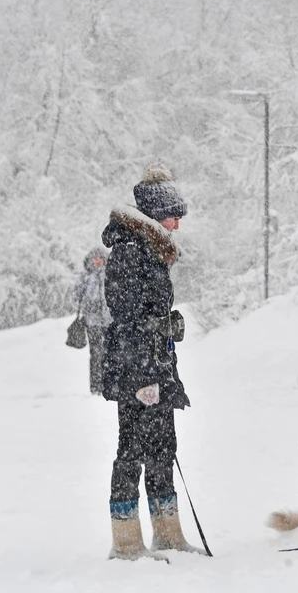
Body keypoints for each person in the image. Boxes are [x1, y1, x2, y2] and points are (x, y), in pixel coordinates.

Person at [100, 162, 203, 561]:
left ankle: (169, 534)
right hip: (137, 369)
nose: (177, 224)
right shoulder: (128, 251)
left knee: (163, 448)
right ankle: (126, 543)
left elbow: (147, 311)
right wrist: (143, 375)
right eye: (174, 216)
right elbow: (126, 319)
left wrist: (167, 322)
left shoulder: (151, 250)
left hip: (157, 364)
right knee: (133, 451)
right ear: (157, 215)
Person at [71, 247, 112, 395]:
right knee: (96, 354)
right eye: (95, 258)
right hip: (92, 322)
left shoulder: (112, 274)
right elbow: (75, 297)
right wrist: (89, 303)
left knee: (111, 354)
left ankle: (110, 386)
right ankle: (96, 388)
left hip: (110, 321)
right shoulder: (85, 277)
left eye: (100, 258)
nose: (98, 261)